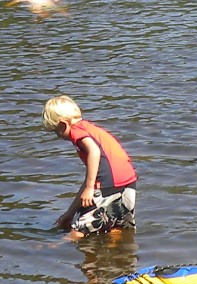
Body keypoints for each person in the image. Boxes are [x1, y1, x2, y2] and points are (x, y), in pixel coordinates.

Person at [42, 95, 137, 238]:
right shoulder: (90, 128)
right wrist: (70, 213)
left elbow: (94, 151)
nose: (58, 136)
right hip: (128, 180)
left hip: (108, 182)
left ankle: (54, 248)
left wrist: (89, 188)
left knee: (80, 230)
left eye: (56, 131)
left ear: (63, 124)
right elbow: (89, 178)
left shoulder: (76, 131)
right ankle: (116, 247)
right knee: (116, 223)